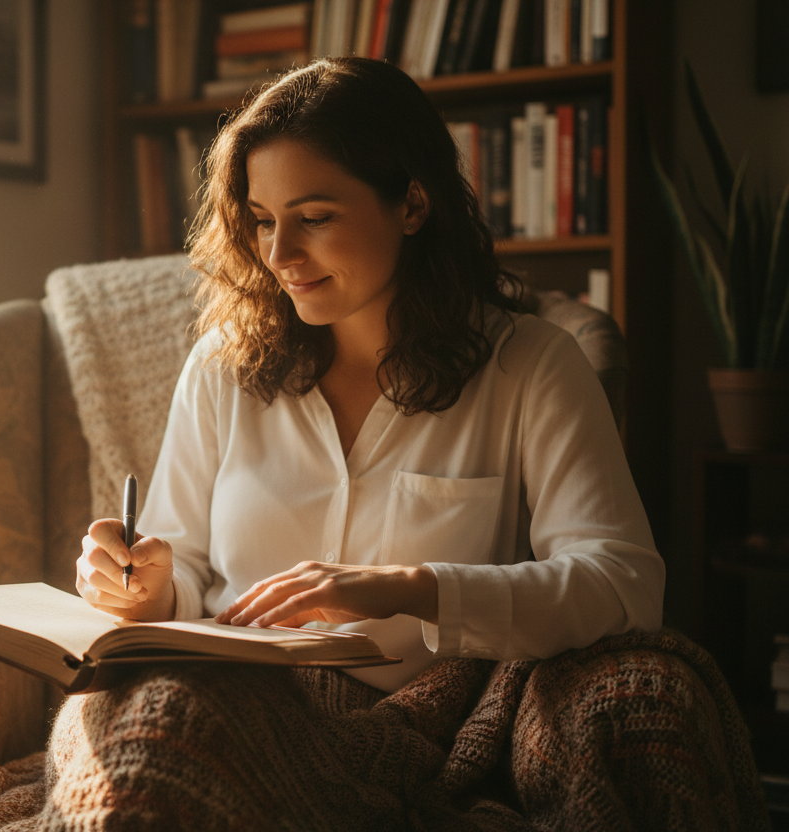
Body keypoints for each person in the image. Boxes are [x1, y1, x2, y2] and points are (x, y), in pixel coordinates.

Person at [75, 56, 663, 692]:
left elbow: (622, 583)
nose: (279, 255)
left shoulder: (532, 366)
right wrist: (145, 590)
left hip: (417, 723)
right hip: (232, 702)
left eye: (316, 218)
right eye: (265, 220)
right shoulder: (224, 367)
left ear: (412, 203)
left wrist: (413, 588)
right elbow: (183, 571)